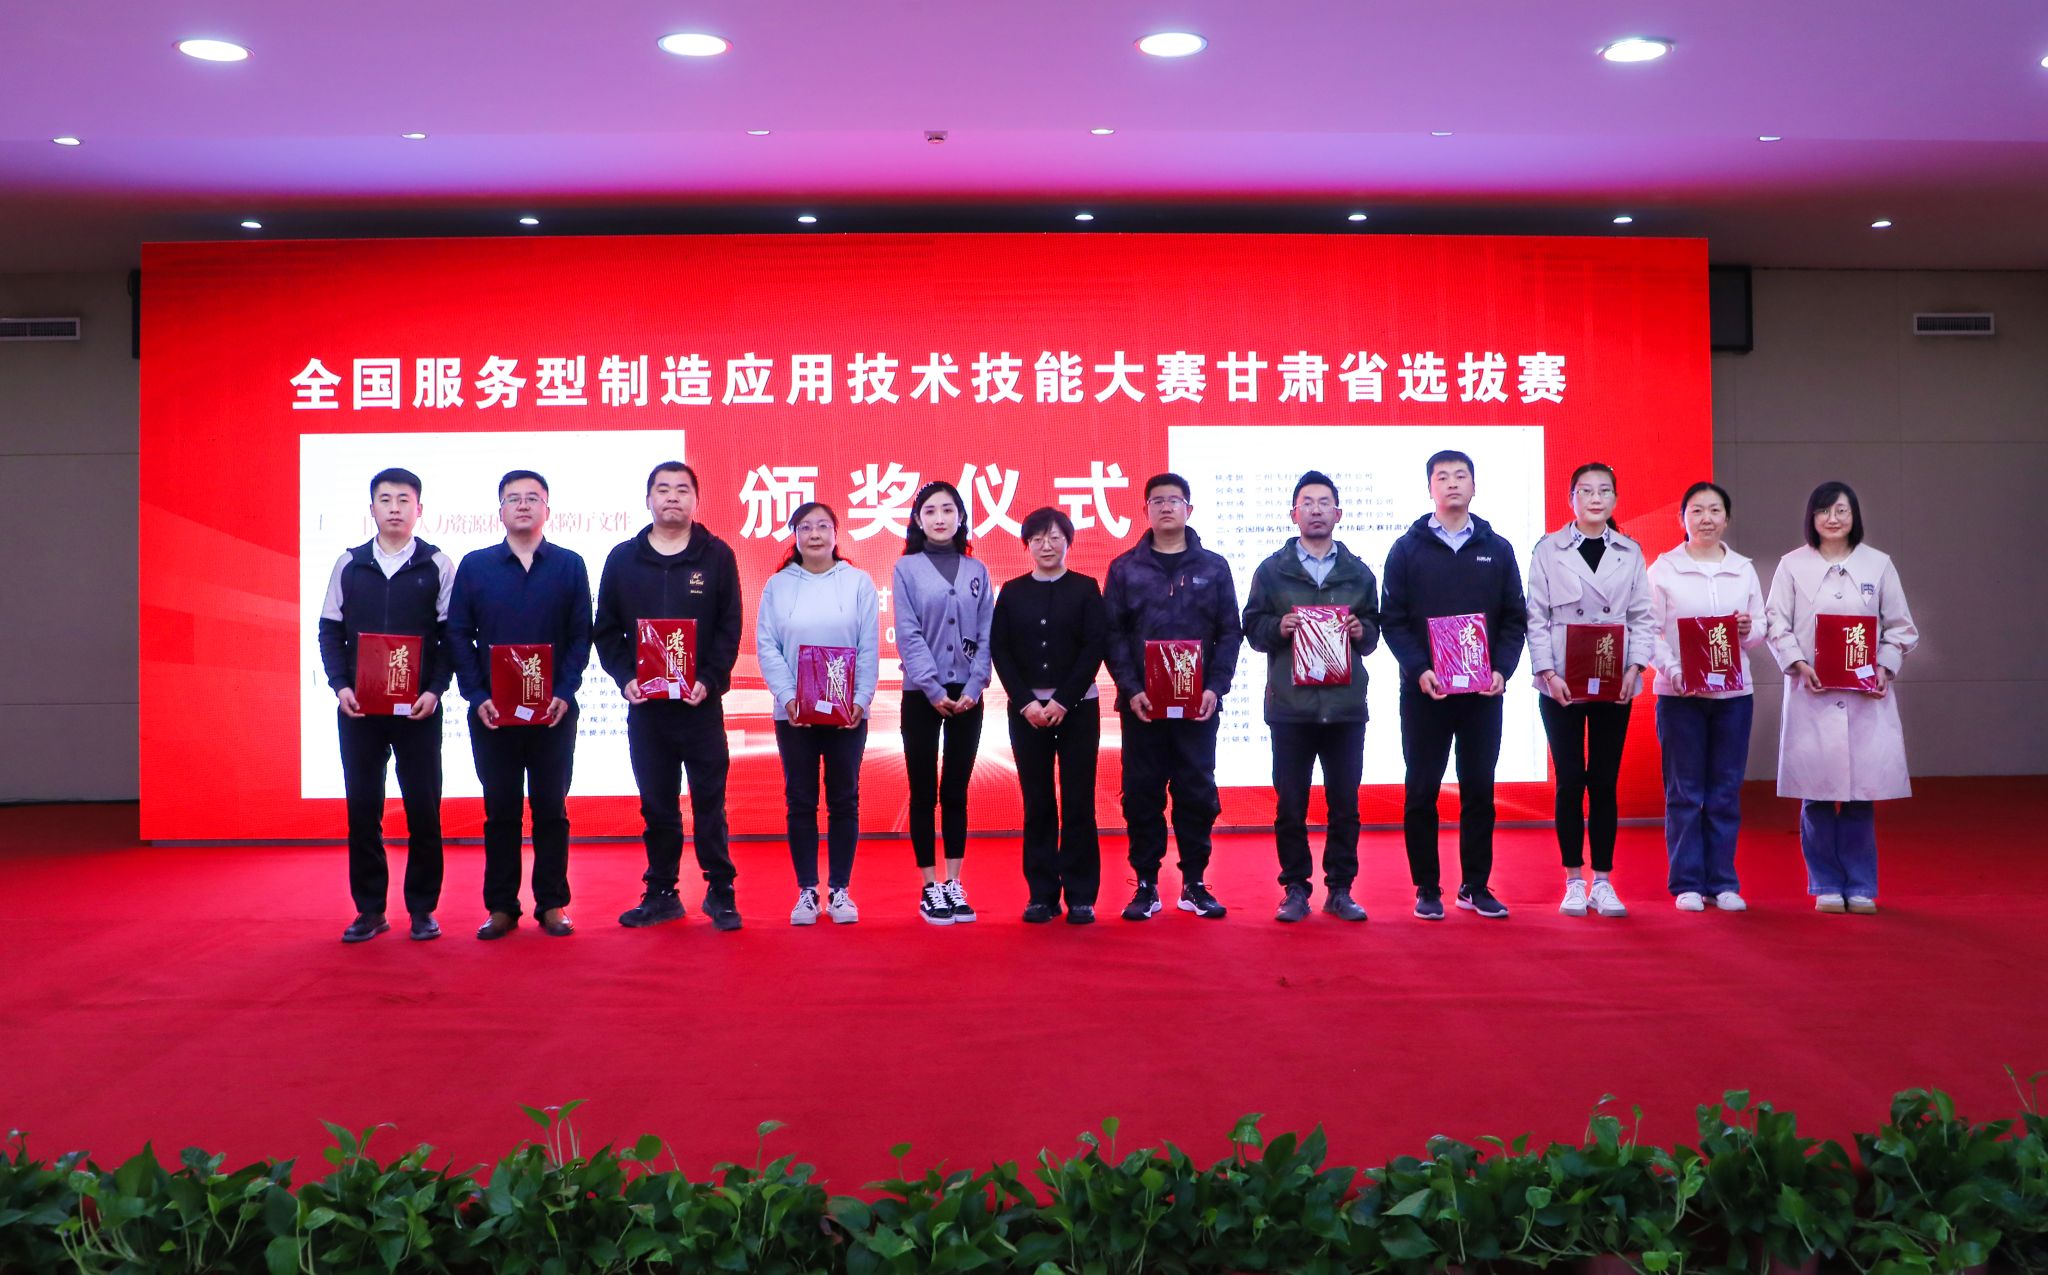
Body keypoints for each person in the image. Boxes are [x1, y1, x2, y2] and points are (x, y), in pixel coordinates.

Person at [594, 461, 745, 932]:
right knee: (657, 805)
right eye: (663, 489)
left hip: (700, 706)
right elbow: (606, 630)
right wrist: (625, 678)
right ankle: (661, 893)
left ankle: (720, 891)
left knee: (709, 803)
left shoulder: (716, 556)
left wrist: (711, 679)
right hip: (647, 711)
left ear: (696, 500)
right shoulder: (623, 559)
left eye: (682, 489)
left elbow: (729, 627)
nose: (672, 497)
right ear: (648, 500)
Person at [1379, 450, 1528, 921]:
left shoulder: (1497, 549)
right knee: (1422, 789)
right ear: (1430, 489)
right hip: (1425, 692)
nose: (1452, 483)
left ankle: (1475, 885)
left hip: (1483, 694)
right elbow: (1392, 620)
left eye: (1461, 476)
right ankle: (1427, 886)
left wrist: (1503, 669)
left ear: (1474, 486)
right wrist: (1418, 669)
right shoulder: (1407, 549)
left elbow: (1514, 619)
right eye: (1442, 477)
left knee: (1479, 789)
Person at [447, 469, 593, 940]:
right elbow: (458, 634)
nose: (524, 505)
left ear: (548, 509)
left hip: (553, 713)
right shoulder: (476, 566)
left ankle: (552, 903)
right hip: (493, 715)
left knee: (551, 808)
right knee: (501, 811)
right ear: (501, 511)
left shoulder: (569, 565)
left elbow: (581, 636)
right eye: (514, 498)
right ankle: (501, 907)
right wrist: (477, 696)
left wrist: (565, 692)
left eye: (533, 498)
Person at [1764, 482, 1919, 914]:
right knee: (1816, 794)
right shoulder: (1792, 566)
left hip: (1864, 696)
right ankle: (1826, 884)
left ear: (1855, 516)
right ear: (1811, 517)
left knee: (1859, 794)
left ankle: (1861, 884)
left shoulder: (1878, 564)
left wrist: (1885, 666)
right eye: (1824, 511)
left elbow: (1901, 627)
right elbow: (1776, 623)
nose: (1833, 519)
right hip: (1812, 692)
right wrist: (1798, 663)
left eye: (1841, 510)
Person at [317, 467, 456, 943]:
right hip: (360, 711)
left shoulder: (438, 564)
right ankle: (370, 910)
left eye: (403, 500)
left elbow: (452, 636)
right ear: (372, 508)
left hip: (418, 711)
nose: (394, 508)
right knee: (363, 810)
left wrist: (434, 691)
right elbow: (329, 630)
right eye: (385, 499)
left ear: (419, 509)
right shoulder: (350, 564)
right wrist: (340, 686)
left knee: (424, 810)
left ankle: (422, 910)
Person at [1240, 470, 1381, 923]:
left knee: (1345, 805)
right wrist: (1276, 627)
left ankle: (1340, 889)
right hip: (1291, 708)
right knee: (1291, 805)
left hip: (1344, 708)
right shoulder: (1272, 571)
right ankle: (1296, 888)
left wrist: (1360, 631)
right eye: (1307, 502)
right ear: (1293, 513)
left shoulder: (1358, 572)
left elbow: (1374, 633)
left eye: (1324, 503)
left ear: (1338, 513)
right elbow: (1251, 628)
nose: (1316, 510)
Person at [1102, 472, 1242, 921]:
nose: (1166, 507)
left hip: (1198, 707)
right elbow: (1112, 635)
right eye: (1157, 501)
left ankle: (1194, 883)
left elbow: (1230, 632)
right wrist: (1131, 689)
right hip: (1142, 708)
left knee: (1196, 792)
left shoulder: (1213, 567)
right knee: (1141, 794)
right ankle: (1145, 884)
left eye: (1174, 500)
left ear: (1189, 509)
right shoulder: (1125, 568)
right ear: (1145, 510)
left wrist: (1215, 688)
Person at [1523, 462, 1657, 919]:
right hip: (1561, 678)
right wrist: (1547, 672)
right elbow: (1536, 616)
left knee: (1603, 780)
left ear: (1615, 499)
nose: (1595, 498)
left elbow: (1642, 616)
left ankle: (1603, 880)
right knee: (1569, 781)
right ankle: (1573, 880)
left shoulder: (1630, 551)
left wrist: (1635, 667)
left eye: (1604, 491)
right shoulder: (1548, 549)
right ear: (1571, 499)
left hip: (1614, 676)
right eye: (1586, 490)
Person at [757, 502, 879, 926]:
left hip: (848, 714)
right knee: (800, 800)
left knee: (844, 798)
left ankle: (840, 890)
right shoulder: (777, 586)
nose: (814, 534)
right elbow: (767, 646)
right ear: (794, 536)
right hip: (794, 715)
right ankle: (807, 891)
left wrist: (860, 699)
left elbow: (869, 646)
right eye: (805, 527)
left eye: (823, 526)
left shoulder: (858, 583)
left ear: (836, 533)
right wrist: (789, 697)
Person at [1647, 480, 1767, 914]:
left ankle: (1723, 881)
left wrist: (1748, 629)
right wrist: (1674, 671)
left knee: (1724, 790)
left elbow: (1760, 628)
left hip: (1734, 695)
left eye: (1715, 510)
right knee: (1684, 791)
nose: (1706, 519)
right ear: (1682, 519)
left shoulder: (1743, 569)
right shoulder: (1663, 569)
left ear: (1727, 518)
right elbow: (1648, 632)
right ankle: (1687, 883)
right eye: (1696, 511)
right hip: (1680, 695)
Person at [990, 507, 1108, 924]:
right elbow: (1000, 649)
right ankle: (1041, 894)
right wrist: (1026, 702)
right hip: (1027, 713)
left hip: (1078, 708)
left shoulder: (1086, 588)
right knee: (1037, 801)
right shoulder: (1012, 591)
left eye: (1055, 537)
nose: (1046, 545)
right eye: (1038, 538)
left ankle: (1081, 896)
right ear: (1027, 545)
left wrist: (1063, 700)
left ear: (1068, 542)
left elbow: (1094, 647)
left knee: (1078, 801)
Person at [892, 480, 995, 925]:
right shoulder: (906, 569)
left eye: (948, 509)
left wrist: (975, 685)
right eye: (930, 511)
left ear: (960, 517)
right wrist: (933, 688)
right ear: (918, 520)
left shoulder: (977, 570)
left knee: (955, 789)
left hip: (969, 695)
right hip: (921, 695)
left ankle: (954, 882)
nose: (940, 518)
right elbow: (908, 632)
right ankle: (929, 886)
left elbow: (988, 631)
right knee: (923, 791)